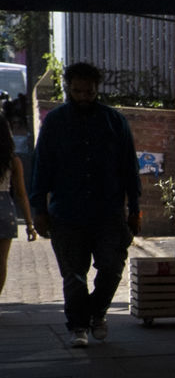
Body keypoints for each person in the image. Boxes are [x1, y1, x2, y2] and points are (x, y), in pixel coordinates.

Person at [29, 62, 140, 347]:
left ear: (96, 89)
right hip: (67, 212)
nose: (83, 97)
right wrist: (38, 209)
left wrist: (135, 207)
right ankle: (78, 326)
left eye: (88, 91)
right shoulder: (54, 122)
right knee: (74, 274)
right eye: (77, 91)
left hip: (109, 212)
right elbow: (41, 168)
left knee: (113, 266)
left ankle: (95, 312)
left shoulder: (114, 121)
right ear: (68, 88)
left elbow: (129, 166)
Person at [0, 114, 37, 295]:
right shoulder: (12, 161)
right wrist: (29, 225)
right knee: (1, 262)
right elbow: (22, 194)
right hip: (5, 209)